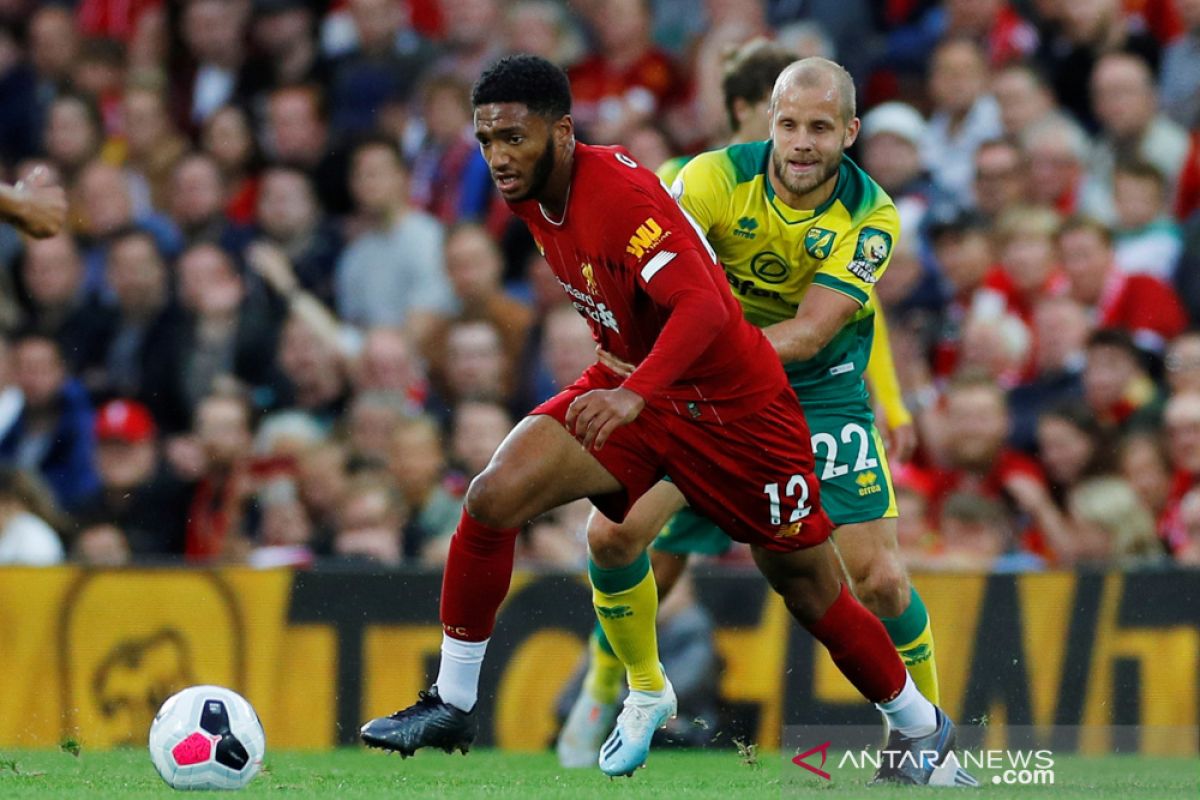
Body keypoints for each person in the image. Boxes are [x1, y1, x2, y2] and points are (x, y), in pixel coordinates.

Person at [359, 55, 967, 787]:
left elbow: (706, 307)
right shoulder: (550, 191)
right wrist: (629, 371)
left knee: (811, 584)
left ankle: (921, 726)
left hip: (741, 409)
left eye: (513, 138)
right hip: (646, 386)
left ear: (561, 132)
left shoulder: (619, 191)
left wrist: (635, 391)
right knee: (496, 496)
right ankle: (459, 701)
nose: (499, 156)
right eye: (486, 140)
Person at [560, 45, 938, 770]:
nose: (801, 143)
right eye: (788, 124)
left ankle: (924, 740)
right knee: (615, 541)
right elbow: (647, 287)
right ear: (765, 120)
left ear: (849, 134)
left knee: (881, 580)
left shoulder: (873, 216)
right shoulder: (704, 180)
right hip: (708, 389)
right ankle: (623, 688)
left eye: (820, 129)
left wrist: (886, 396)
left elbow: (814, 330)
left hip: (816, 390)